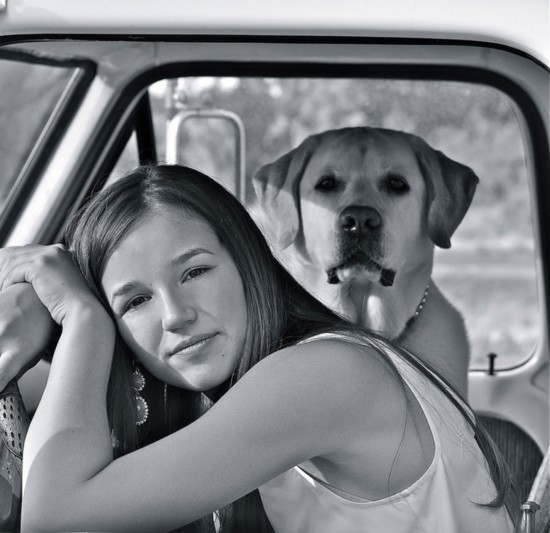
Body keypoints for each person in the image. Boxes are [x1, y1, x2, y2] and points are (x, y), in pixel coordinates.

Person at [0, 165, 517, 532]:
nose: (176, 314)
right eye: (135, 301)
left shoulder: (324, 375)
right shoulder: (301, 370)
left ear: (247, 263)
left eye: (195, 271)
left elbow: (55, 520)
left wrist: (83, 319)